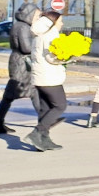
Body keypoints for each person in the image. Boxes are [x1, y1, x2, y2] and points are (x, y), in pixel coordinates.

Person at [22, 9, 69, 151]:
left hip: (40, 76)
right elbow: (51, 57)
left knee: (45, 108)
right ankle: (37, 132)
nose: (62, 23)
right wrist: (67, 57)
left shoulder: (39, 35)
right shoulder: (51, 35)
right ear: (53, 23)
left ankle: (43, 140)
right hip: (50, 77)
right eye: (60, 21)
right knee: (60, 105)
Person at [0, 2, 41, 135]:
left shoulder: (19, 25)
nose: (37, 17)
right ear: (29, 14)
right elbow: (26, 48)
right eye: (36, 15)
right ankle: (45, 120)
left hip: (19, 62)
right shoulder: (23, 27)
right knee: (32, 91)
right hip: (21, 63)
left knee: (11, 95)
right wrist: (38, 46)